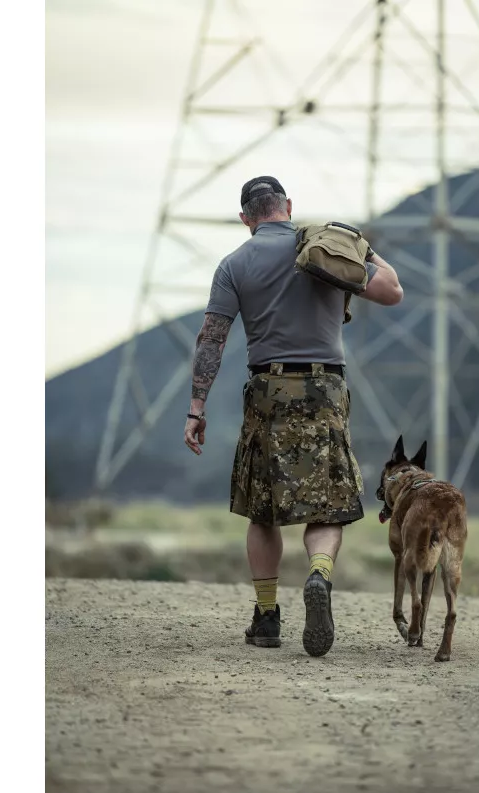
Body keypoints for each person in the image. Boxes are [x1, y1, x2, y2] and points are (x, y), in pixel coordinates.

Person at [183, 176, 403, 657]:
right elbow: (392, 291)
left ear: (246, 218)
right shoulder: (324, 248)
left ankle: (266, 618)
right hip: (325, 390)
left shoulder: (233, 264)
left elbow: (211, 339)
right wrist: (364, 246)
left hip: (269, 391)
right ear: (288, 206)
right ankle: (319, 574)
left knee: (262, 510)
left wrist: (196, 407)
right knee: (326, 506)